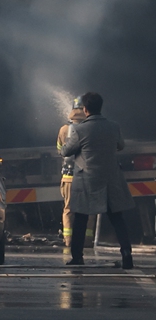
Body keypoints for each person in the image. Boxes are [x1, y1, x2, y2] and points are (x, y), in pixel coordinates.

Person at [62, 92, 134, 268]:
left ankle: (77, 257)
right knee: (117, 218)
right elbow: (121, 146)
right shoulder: (113, 126)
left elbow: (65, 151)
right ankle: (127, 256)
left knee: (80, 219)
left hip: (87, 181)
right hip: (110, 179)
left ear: (85, 109)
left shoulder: (79, 130)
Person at [57, 99, 92, 248]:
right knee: (89, 209)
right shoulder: (91, 129)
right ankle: (88, 240)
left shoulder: (64, 129)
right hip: (87, 176)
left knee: (69, 209)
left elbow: (60, 150)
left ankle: (69, 241)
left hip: (69, 176)